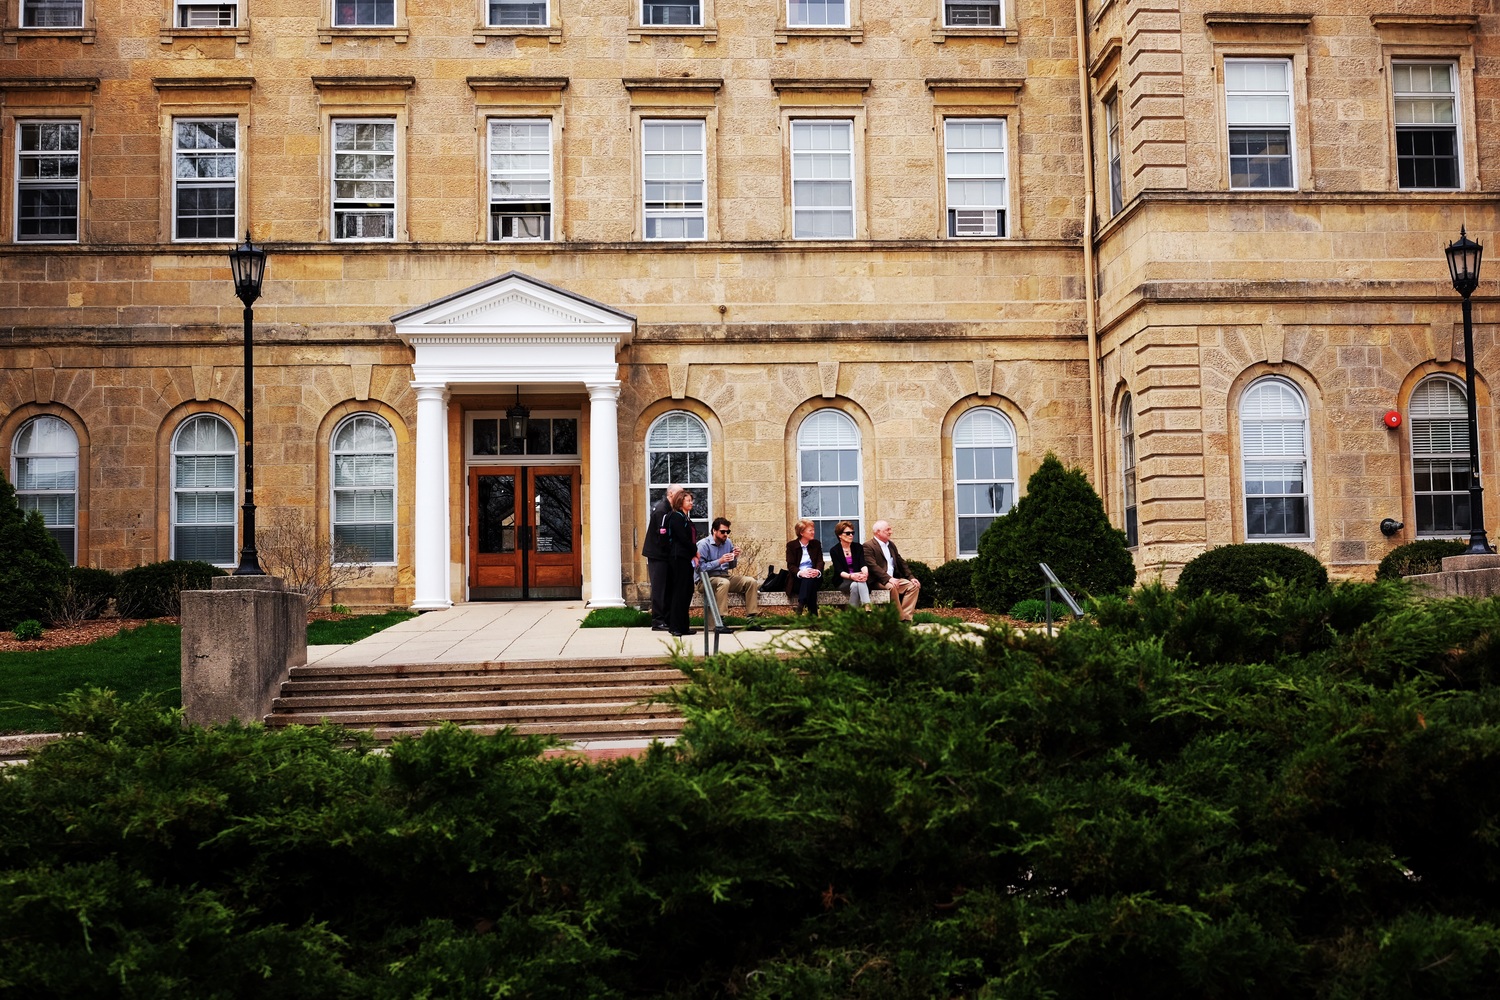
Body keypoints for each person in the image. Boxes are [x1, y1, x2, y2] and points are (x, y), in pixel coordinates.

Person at [696, 517, 759, 629]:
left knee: (751, 581)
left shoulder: (727, 543)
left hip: (724, 576)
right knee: (723, 582)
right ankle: (720, 621)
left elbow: (731, 566)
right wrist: (719, 561)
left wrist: (734, 557)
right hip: (705, 580)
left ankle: (752, 619)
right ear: (714, 531)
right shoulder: (703, 545)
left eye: (728, 532)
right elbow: (700, 568)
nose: (726, 534)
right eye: (723, 532)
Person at [641, 483, 683, 631]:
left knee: (667, 588)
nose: (682, 496)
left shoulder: (671, 509)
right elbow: (662, 536)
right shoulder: (662, 510)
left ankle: (666, 619)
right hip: (658, 555)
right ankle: (657, 621)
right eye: (680, 493)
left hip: (665, 555)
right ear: (671, 494)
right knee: (659, 588)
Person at [864, 519, 921, 621]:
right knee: (892, 587)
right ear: (878, 532)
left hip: (894, 579)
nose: (891, 532)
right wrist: (888, 579)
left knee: (913, 586)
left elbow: (900, 561)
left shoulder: (891, 545)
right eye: (888, 530)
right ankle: (899, 619)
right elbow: (872, 566)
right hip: (878, 581)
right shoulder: (868, 546)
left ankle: (907, 618)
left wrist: (911, 577)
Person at [664, 491, 699, 636]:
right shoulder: (676, 517)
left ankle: (684, 626)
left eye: (691, 500)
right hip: (678, 558)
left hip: (685, 558)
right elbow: (683, 539)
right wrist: (695, 551)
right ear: (680, 502)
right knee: (679, 592)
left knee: (687, 591)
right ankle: (675, 626)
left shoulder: (685, 517)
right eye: (688, 500)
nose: (691, 503)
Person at [828, 519, 871, 608]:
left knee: (856, 585)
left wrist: (865, 574)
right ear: (840, 535)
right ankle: (867, 605)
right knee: (858, 583)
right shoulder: (834, 550)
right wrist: (852, 576)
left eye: (852, 533)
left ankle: (852, 614)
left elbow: (863, 563)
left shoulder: (858, 547)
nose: (851, 535)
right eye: (848, 533)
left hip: (858, 578)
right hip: (843, 580)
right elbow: (839, 570)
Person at [784, 519, 823, 615]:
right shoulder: (791, 545)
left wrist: (817, 571)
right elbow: (791, 565)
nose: (813, 532)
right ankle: (813, 617)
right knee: (809, 580)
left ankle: (801, 605)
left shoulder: (816, 544)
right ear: (801, 532)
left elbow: (820, 561)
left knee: (810, 578)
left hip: (814, 577)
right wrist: (801, 573)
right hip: (797, 580)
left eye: (813, 530)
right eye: (810, 530)